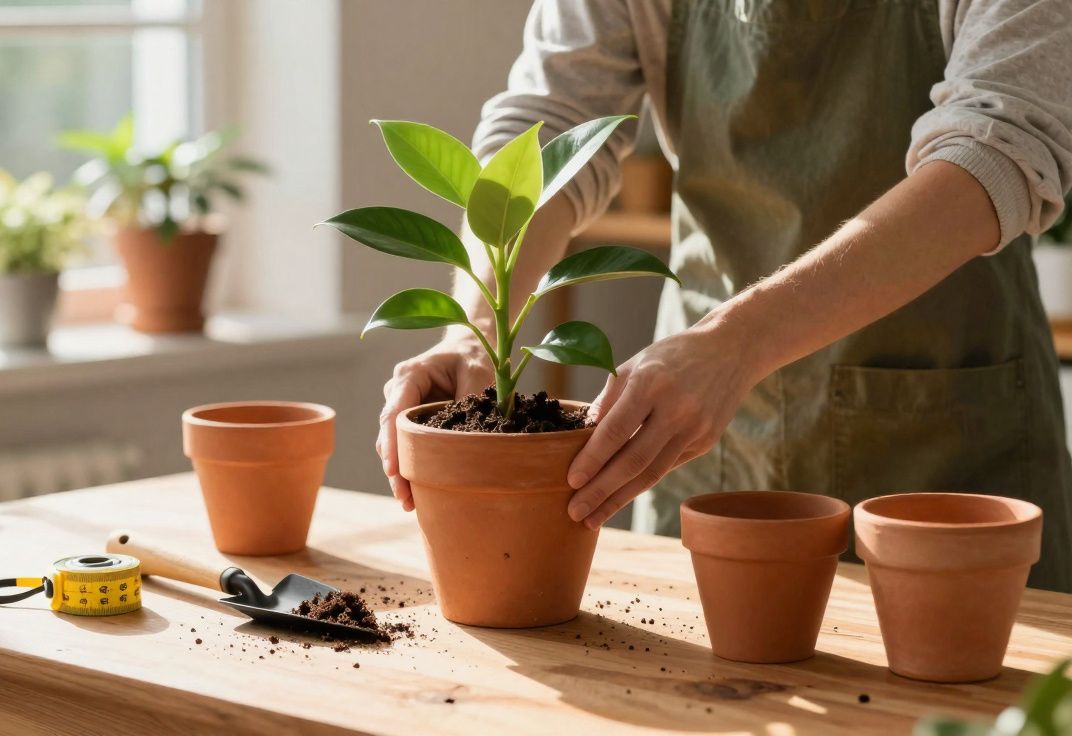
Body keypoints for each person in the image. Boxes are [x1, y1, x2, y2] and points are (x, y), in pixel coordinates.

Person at [376, 0, 1072, 592]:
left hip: (945, 446)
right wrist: (474, 324)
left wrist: (738, 341)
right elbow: (551, 125)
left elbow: (1000, 149)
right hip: (702, 439)